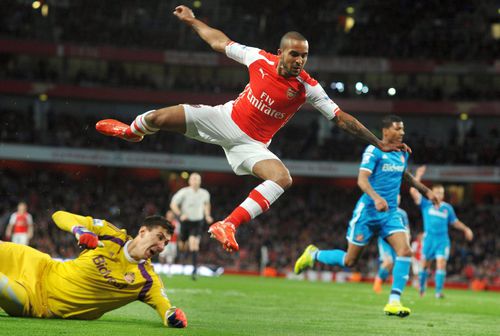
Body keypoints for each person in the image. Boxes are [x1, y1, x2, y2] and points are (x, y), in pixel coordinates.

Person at [95, 5, 410, 253]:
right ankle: (131, 132)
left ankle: (229, 224)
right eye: (295, 54)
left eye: (305, 55)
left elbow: (341, 118)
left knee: (282, 178)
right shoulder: (258, 58)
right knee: (160, 118)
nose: (300, 60)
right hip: (224, 118)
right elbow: (219, 41)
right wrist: (192, 21)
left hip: (252, 144)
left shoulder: (307, 87)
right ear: (282, 52)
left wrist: (378, 143)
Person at [294, 115, 439, 317]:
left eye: (403, 129)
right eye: (398, 128)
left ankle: (394, 301)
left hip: (389, 215)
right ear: (386, 131)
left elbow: (405, 176)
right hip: (368, 213)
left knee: (405, 252)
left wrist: (426, 191)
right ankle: (313, 255)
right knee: (350, 261)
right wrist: (376, 198)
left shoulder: (401, 153)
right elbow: (362, 180)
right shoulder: (374, 150)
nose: (402, 132)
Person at [0, 210, 187, 328]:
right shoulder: (111, 234)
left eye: (166, 242)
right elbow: (59, 215)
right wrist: (80, 230)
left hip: (35, 301)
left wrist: (172, 316)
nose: (162, 246)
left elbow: (166, 310)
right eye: (160, 237)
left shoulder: (147, 281)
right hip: (38, 264)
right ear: (143, 232)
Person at [409, 165, 474, 298]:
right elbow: (413, 191)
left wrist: (466, 228)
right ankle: (422, 288)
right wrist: (418, 176)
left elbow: (454, 222)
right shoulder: (426, 203)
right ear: (432, 193)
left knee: (441, 264)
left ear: (443, 195)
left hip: (442, 240)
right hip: (429, 239)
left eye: (441, 193)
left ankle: (438, 292)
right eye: (437, 192)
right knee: (424, 266)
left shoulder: (447, 208)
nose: (439, 195)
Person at [170, 172, 212, 280]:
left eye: (197, 179)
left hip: (197, 222)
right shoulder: (184, 192)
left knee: (194, 244)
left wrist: (207, 215)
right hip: (186, 222)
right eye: (193, 179)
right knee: (183, 245)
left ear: (200, 181)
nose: (195, 181)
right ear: (189, 181)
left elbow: (207, 204)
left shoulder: (204, 193)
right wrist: (180, 214)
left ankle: (194, 269)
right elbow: (173, 204)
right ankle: (182, 259)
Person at [373, 195, 410, 294]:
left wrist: (407, 241)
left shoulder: (402, 213)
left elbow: (406, 229)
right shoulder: (383, 210)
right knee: (388, 262)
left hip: (398, 241)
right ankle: (378, 282)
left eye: (398, 198)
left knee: (395, 264)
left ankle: (394, 287)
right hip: (385, 241)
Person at [158, 210, 180, 277]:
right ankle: (161, 269)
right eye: (169, 214)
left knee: (170, 257)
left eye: (171, 214)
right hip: (164, 242)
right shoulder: (163, 223)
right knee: (162, 255)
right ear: (167, 215)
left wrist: (178, 242)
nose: (170, 215)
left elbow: (177, 234)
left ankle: (169, 271)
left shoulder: (176, 223)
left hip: (173, 242)